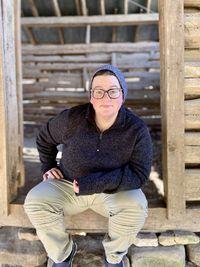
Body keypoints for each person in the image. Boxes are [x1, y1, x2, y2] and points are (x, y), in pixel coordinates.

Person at [24, 64, 152, 267]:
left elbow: (139, 174)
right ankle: (62, 254)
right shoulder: (72, 119)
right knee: (35, 201)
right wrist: (48, 165)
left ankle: (113, 257)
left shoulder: (136, 130)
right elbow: (44, 138)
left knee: (137, 205)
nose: (105, 97)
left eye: (113, 91)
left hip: (113, 192)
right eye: (98, 91)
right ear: (91, 96)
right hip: (67, 186)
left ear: (122, 95)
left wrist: (92, 184)